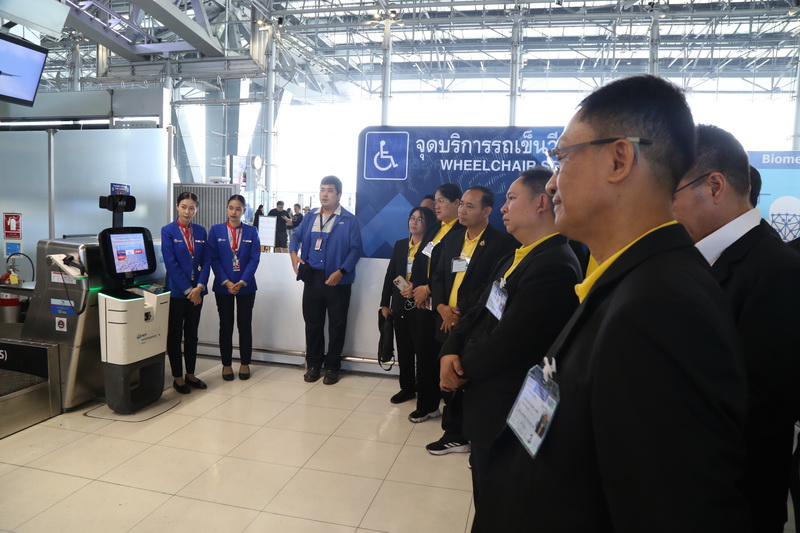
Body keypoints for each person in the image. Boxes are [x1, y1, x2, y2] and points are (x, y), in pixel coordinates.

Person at [474, 75, 750, 532]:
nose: (553, 184)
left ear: (619, 159)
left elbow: (669, 510)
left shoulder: (661, 308)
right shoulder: (629, 282)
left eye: (562, 158)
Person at [672, 124, 800, 533]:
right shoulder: (692, 259)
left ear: (714, 186)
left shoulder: (777, 271)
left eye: (670, 193)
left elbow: (764, 406)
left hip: (734, 500)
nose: (662, 210)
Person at [437, 168, 581, 504]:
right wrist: (449, 349)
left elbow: (509, 340)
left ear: (541, 203)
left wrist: (459, 367)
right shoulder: (515, 257)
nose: (503, 208)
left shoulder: (554, 265)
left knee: (500, 500)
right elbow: (479, 312)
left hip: (509, 408)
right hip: (487, 402)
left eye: (511, 199)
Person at [426, 186, 517, 455]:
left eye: (470, 206)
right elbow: (439, 276)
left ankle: (463, 434)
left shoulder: (502, 244)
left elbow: (491, 287)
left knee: (467, 379)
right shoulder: (453, 239)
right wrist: (442, 307)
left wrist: (460, 315)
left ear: (487, 211)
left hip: (473, 323)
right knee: (447, 376)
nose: (462, 211)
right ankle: (454, 431)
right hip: (445, 319)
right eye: (461, 205)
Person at [291, 176, 363, 385]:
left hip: (337, 280)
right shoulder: (310, 216)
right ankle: (313, 365)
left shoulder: (349, 220)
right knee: (313, 324)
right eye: (322, 189)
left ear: (339, 195)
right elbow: (295, 237)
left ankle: (332, 367)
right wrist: (293, 254)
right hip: (312, 278)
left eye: (330, 190)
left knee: (337, 325)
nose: (325, 194)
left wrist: (342, 271)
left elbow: (356, 250)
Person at [407, 183, 462, 422]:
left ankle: (452, 411)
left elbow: (452, 270)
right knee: (424, 354)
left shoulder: (462, 230)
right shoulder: (435, 228)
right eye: (436, 201)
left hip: (444, 303)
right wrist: (416, 287)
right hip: (424, 303)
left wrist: (428, 288)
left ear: (456, 203)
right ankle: (427, 404)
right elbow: (422, 260)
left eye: (441, 201)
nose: (436, 206)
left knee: (445, 356)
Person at [380, 206, 437, 404]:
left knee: (423, 351)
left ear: (428, 224)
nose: (414, 222)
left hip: (422, 305)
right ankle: (407, 388)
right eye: (412, 218)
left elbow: (435, 277)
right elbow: (391, 274)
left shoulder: (432, 247)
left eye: (420, 219)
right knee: (404, 349)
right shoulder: (401, 245)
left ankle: (425, 388)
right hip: (399, 305)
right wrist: (384, 303)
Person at [161, 192, 211, 394]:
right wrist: (190, 290)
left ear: (196, 209)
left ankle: (190, 374)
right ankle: (178, 377)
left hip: (197, 292)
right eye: (183, 207)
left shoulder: (200, 231)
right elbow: (171, 264)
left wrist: (200, 286)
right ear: (177, 207)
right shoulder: (168, 231)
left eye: (191, 208)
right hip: (177, 292)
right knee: (175, 335)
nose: (187, 211)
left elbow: (206, 261)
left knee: (192, 334)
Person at [208, 194, 261, 381]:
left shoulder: (251, 231)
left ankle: (245, 363)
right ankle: (227, 365)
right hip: (223, 287)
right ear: (227, 208)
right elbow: (213, 259)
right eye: (231, 208)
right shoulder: (216, 231)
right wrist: (226, 281)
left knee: (244, 325)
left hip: (246, 286)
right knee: (226, 325)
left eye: (238, 209)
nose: (234, 212)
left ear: (244, 211)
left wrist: (243, 281)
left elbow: (254, 259)